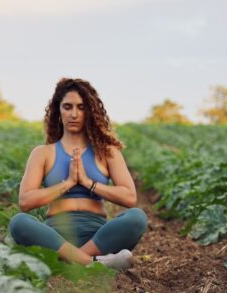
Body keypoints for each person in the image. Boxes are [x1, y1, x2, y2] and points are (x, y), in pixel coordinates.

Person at [9, 77, 148, 271]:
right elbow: (25, 201)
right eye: (67, 107)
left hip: (98, 238)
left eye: (81, 107)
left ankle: (69, 261)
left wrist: (87, 182)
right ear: (58, 110)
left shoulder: (108, 152)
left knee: (137, 218)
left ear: (90, 111)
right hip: (55, 238)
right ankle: (94, 263)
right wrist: (68, 183)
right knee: (19, 222)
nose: (74, 114)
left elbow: (130, 197)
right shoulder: (42, 153)